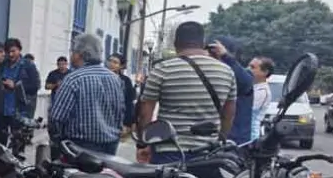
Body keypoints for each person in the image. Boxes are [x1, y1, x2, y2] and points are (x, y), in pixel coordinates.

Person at [136, 21, 236, 164]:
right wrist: (220, 139)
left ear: (176, 43)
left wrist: (143, 143)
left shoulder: (162, 69)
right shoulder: (226, 72)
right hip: (208, 152)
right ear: (202, 43)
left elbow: (145, 112)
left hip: (168, 151)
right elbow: (229, 114)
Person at [48, 34, 124, 155]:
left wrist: (58, 143)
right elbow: (119, 115)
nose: (71, 55)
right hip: (110, 145)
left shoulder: (73, 79)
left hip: (79, 147)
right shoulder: (115, 79)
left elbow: (56, 118)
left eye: (72, 51)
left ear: (80, 54)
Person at [208, 37, 255, 145]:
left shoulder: (243, 75)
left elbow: (245, 82)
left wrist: (225, 57)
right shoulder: (212, 73)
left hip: (234, 141)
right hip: (212, 139)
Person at [0, 38, 41, 144]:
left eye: (13, 51)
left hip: (19, 110)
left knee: (18, 142)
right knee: (1, 141)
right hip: (3, 109)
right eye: (8, 52)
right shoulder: (3, 64)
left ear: (19, 50)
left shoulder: (28, 65)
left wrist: (16, 85)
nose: (11, 54)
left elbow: (35, 85)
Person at [107, 54, 137, 138]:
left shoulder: (125, 81)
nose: (111, 64)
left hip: (118, 120)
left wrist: (127, 124)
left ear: (121, 66)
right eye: (110, 61)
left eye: (115, 62)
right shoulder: (100, 77)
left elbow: (129, 103)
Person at [248, 56, 275, 140]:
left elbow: (248, 110)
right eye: (248, 66)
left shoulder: (263, 91)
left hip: (250, 135)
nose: (248, 69)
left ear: (265, 72)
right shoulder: (252, 86)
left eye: (252, 67)